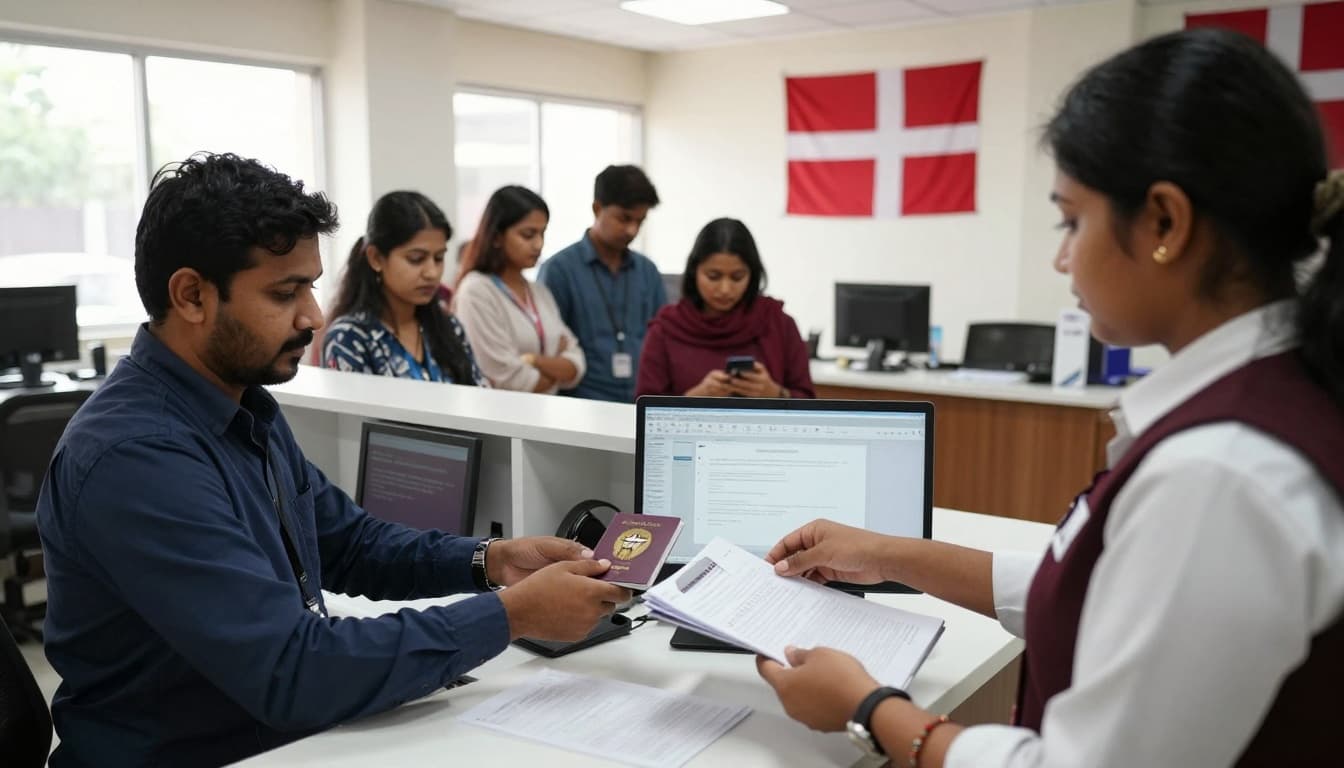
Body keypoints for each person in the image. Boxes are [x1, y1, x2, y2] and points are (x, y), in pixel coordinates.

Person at [754, 29, 1344, 768]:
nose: (1061, 256)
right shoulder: (1271, 401)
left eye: (1071, 220)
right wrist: (886, 553)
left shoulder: (1219, 474)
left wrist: (871, 710)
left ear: (1165, 222)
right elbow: (1110, 588)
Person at [35, 154, 631, 767]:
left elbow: (348, 544)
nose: (313, 316)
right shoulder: (138, 457)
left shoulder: (242, 404)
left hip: (270, 738)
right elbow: (294, 670)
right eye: (283, 292)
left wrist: (492, 560)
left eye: (311, 285)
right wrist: (510, 616)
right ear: (191, 295)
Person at [322, 190, 487, 385]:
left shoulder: (448, 329)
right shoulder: (350, 338)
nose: (432, 273)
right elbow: (353, 415)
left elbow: (478, 399)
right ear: (376, 258)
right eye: (416, 259)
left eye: (439, 258)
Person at [636, 218, 814, 399]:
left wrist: (776, 394)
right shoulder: (666, 329)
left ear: (752, 275)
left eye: (737, 277)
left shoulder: (778, 323)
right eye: (713, 276)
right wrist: (693, 399)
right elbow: (645, 409)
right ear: (694, 272)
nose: (725, 290)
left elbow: (809, 403)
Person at [538, 165, 664, 402]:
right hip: (582, 404)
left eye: (640, 221)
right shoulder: (560, 270)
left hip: (640, 399)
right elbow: (554, 346)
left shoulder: (647, 271)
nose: (632, 230)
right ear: (597, 208)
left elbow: (661, 340)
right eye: (624, 218)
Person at [452, 185, 585, 394]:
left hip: (546, 415)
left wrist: (532, 360)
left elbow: (577, 364)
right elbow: (509, 380)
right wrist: (555, 364)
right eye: (528, 235)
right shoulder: (476, 291)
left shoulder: (540, 292)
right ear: (496, 237)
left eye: (542, 233)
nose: (538, 244)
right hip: (502, 420)